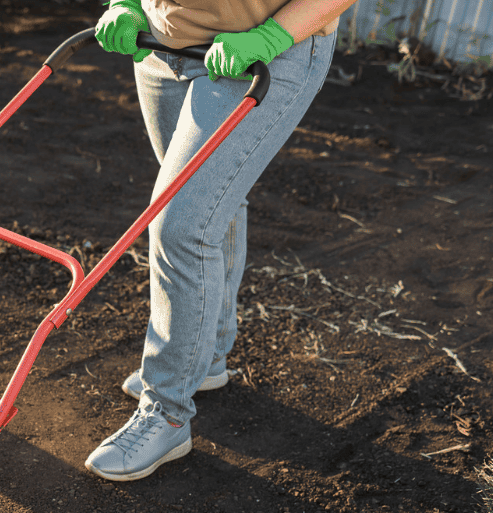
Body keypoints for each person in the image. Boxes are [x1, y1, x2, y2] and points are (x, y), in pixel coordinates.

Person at [84, 0, 357, 481]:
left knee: (180, 225)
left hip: (262, 50)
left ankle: (165, 412)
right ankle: (204, 357)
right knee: (210, 205)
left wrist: (270, 38)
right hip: (159, 45)